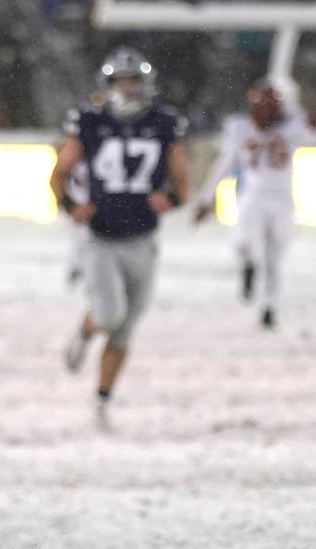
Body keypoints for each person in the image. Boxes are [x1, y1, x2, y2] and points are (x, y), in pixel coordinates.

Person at [50, 48, 190, 429]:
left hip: (143, 238)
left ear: (145, 86)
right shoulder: (90, 121)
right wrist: (68, 205)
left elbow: (182, 181)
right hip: (102, 236)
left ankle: (101, 401)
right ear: (108, 86)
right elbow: (58, 174)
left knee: (127, 327)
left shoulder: (164, 122)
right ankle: (86, 328)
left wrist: (173, 198)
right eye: (120, 82)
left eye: (132, 82)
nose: (126, 89)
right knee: (111, 315)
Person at [194, 80, 311, 329]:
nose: (267, 112)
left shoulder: (293, 127)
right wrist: (206, 199)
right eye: (262, 105)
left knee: (274, 257)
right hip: (253, 197)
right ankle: (247, 265)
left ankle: (269, 306)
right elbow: (224, 165)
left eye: (271, 105)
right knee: (243, 242)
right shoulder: (239, 128)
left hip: (282, 200)